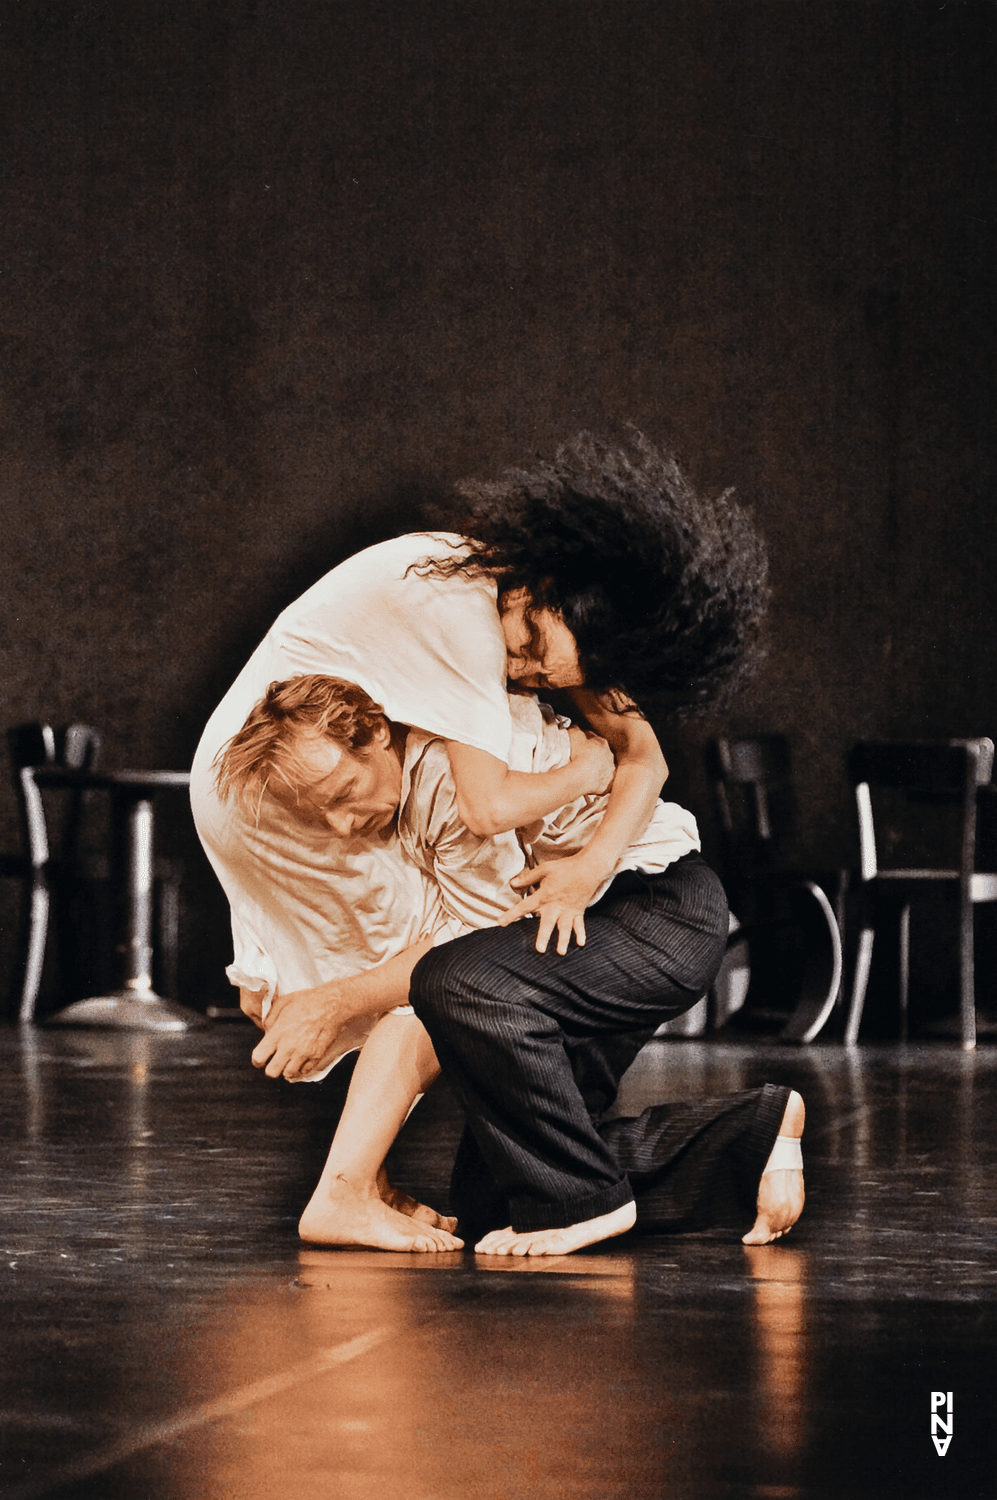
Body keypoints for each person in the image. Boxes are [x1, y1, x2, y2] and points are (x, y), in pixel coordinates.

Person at [215, 674, 805, 1256]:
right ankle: (751, 1136)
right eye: (324, 813)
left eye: (344, 791)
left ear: (373, 732)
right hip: (584, 933)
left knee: (455, 981)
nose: (343, 824)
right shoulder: (413, 786)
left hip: (656, 911)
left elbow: (466, 949)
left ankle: (587, 1201)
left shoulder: (444, 772)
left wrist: (336, 1001)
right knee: (500, 1195)